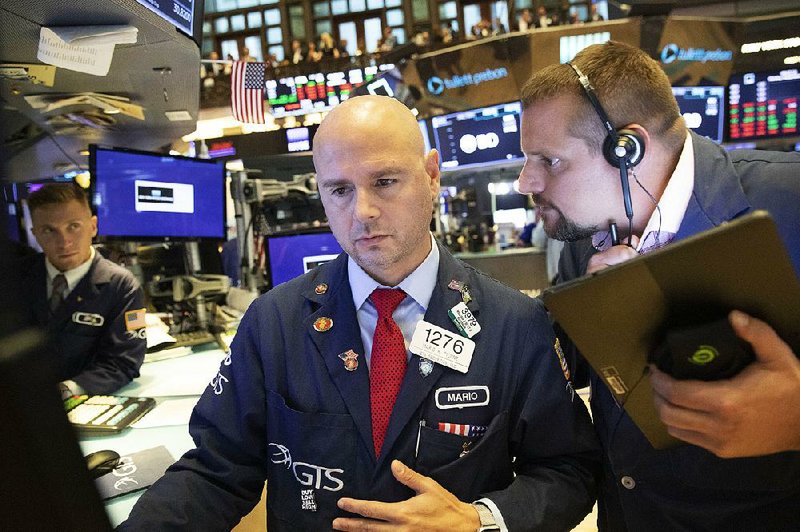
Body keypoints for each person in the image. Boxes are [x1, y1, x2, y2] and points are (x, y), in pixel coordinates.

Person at [119, 95, 599, 530]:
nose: (362, 211)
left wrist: (480, 520)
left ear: (432, 176)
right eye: (340, 190)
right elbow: (216, 469)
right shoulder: (275, 323)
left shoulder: (514, 324)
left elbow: (567, 469)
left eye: (384, 182)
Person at [517, 40, 800, 529]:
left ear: (627, 148)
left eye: (549, 160)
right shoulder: (586, 239)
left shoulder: (789, 203)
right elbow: (569, 365)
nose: (526, 181)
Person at [24, 183, 146, 395]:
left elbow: (124, 363)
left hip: (83, 401)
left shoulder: (124, 287)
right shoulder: (15, 278)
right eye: (49, 230)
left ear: (93, 226)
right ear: (35, 234)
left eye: (73, 226)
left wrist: (65, 390)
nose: (64, 242)